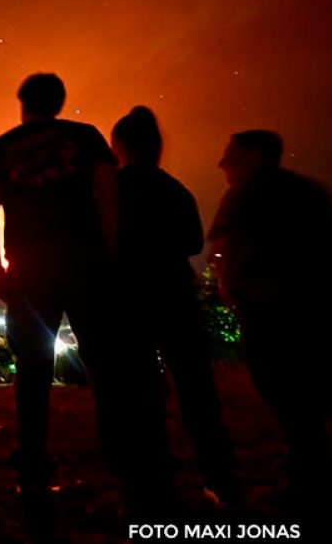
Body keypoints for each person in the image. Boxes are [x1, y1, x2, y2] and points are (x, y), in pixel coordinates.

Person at [0, 74, 176, 525]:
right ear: (61, 101)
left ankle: (33, 460)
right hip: (84, 257)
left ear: (22, 103)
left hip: (28, 264)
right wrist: (109, 251)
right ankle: (120, 455)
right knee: (104, 361)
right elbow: (109, 194)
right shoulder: (85, 138)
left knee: (31, 368)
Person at [111, 106, 239, 506]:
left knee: (139, 392)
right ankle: (220, 478)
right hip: (174, 295)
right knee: (196, 390)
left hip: (129, 298)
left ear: (120, 147)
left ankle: (151, 482)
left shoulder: (109, 189)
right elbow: (194, 244)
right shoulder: (175, 190)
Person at [208, 130, 332, 531]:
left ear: (254, 155)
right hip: (316, 311)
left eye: (229, 155)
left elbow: (225, 252)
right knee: (313, 400)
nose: (222, 164)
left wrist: (231, 288)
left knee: (291, 403)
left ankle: (310, 492)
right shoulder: (309, 193)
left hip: (269, 314)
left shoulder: (244, 197)